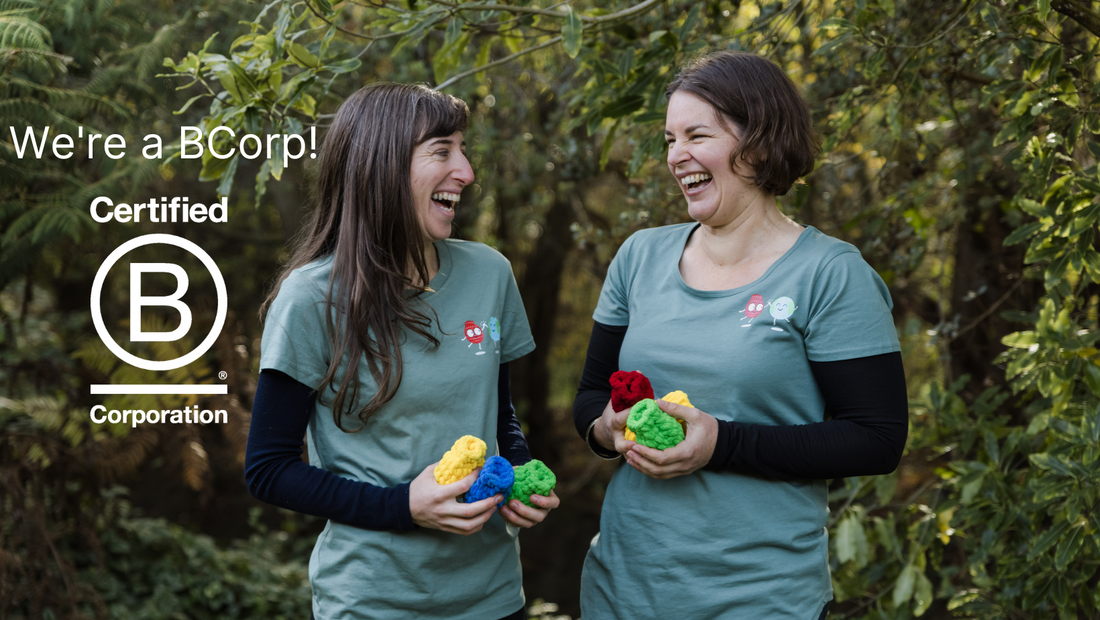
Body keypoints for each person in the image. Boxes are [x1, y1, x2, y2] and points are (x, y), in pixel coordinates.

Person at [572, 51, 908, 619]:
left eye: (696, 135)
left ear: (758, 142)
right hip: (622, 591)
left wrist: (720, 443)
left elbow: (876, 439)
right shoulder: (639, 257)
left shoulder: (830, 273)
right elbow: (588, 400)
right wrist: (608, 428)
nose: (677, 156)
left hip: (761, 598)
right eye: (669, 139)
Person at [245, 82, 559, 620]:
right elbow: (269, 469)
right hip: (373, 602)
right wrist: (401, 507)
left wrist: (520, 477)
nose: (466, 171)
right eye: (442, 151)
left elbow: (498, 417)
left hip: (493, 597)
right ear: (381, 167)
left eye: (463, 150)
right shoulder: (311, 299)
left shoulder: (491, 274)